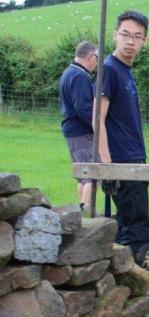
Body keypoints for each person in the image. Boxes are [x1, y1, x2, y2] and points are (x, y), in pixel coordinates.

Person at [96, 10, 149, 266]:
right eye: (126, 34)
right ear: (115, 35)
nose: (131, 41)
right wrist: (108, 167)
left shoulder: (125, 71)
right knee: (136, 232)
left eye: (137, 36)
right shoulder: (109, 69)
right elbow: (97, 119)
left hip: (135, 159)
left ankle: (125, 288)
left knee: (128, 226)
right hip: (122, 162)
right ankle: (131, 291)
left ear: (144, 41)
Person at [59, 40, 98, 213]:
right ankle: (85, 211)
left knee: (82, 175)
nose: (98, 62)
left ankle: (82, 210)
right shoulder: (80, 76)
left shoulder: (68, 72)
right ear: (90, 56)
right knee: (91, 174)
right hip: (82, 132)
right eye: (97, 57)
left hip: (72, 131)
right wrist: (98, 127)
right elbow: (84, 108)